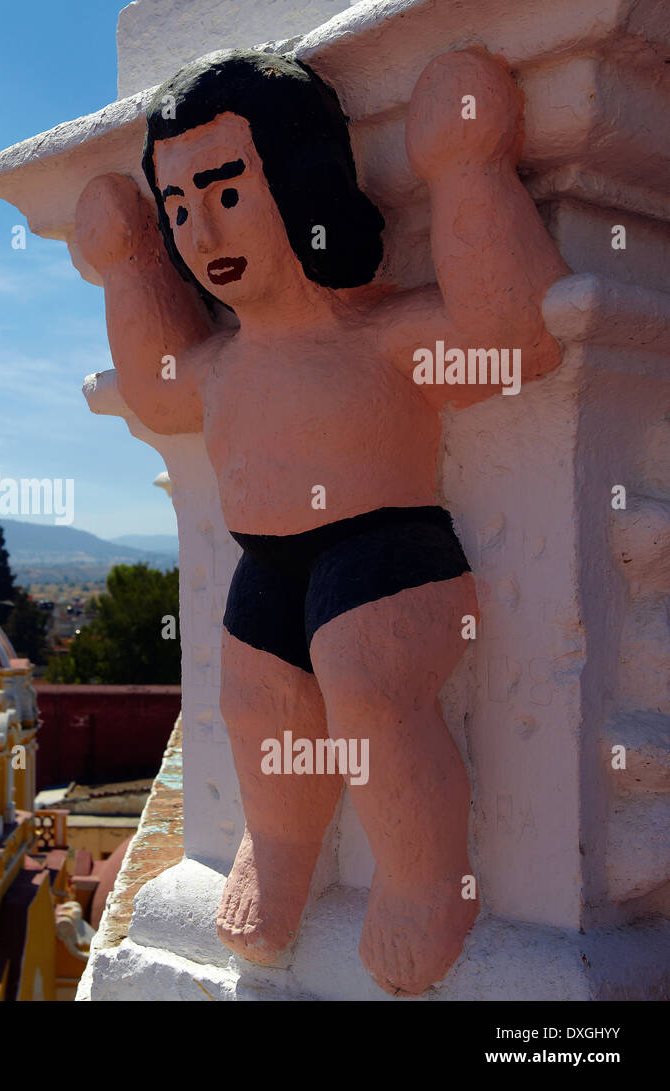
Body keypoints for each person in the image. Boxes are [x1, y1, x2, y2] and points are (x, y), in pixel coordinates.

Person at [73, 47, 570, 995]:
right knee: (258, 707)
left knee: (367, 687)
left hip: (385, 553)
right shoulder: (223, 365)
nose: (200, 227)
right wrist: (129, 266)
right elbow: (158, 387)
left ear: (302, 180)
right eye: (177, 209)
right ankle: (283, 848)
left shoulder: (379, 334)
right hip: (270, 563)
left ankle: (427, 884)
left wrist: (466, 170)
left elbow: (511, 341)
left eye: (225, 191)